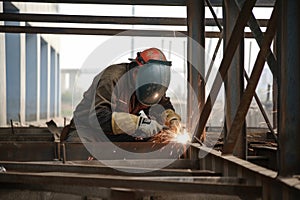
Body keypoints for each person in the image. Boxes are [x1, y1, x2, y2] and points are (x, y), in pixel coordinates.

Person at [62, 48, 181, 142]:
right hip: (89, 130)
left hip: (116, 134)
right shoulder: (112, 78)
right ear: (135, 73)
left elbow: (162, 105)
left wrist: (172, 119)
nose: (152, 88)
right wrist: (138, 124)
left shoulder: (150, 87)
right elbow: (98, 118)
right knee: (79, 150)